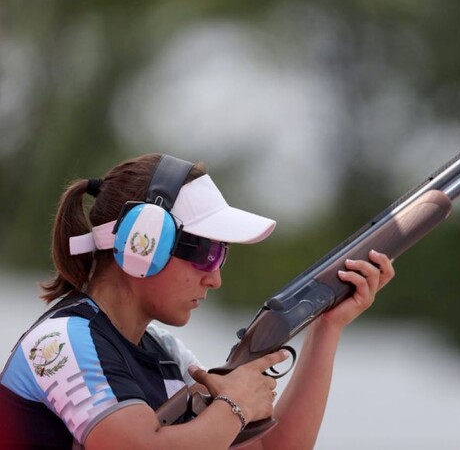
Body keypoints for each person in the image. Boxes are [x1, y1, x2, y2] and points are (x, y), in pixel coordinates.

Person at [0, 153, 395, 449]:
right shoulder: (62, 342)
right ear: (145, 243)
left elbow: (270, 448)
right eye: (205, 252)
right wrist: (234, 405)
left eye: (221, 254)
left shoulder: (164, 352)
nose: (215, 276)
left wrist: (327, 328)